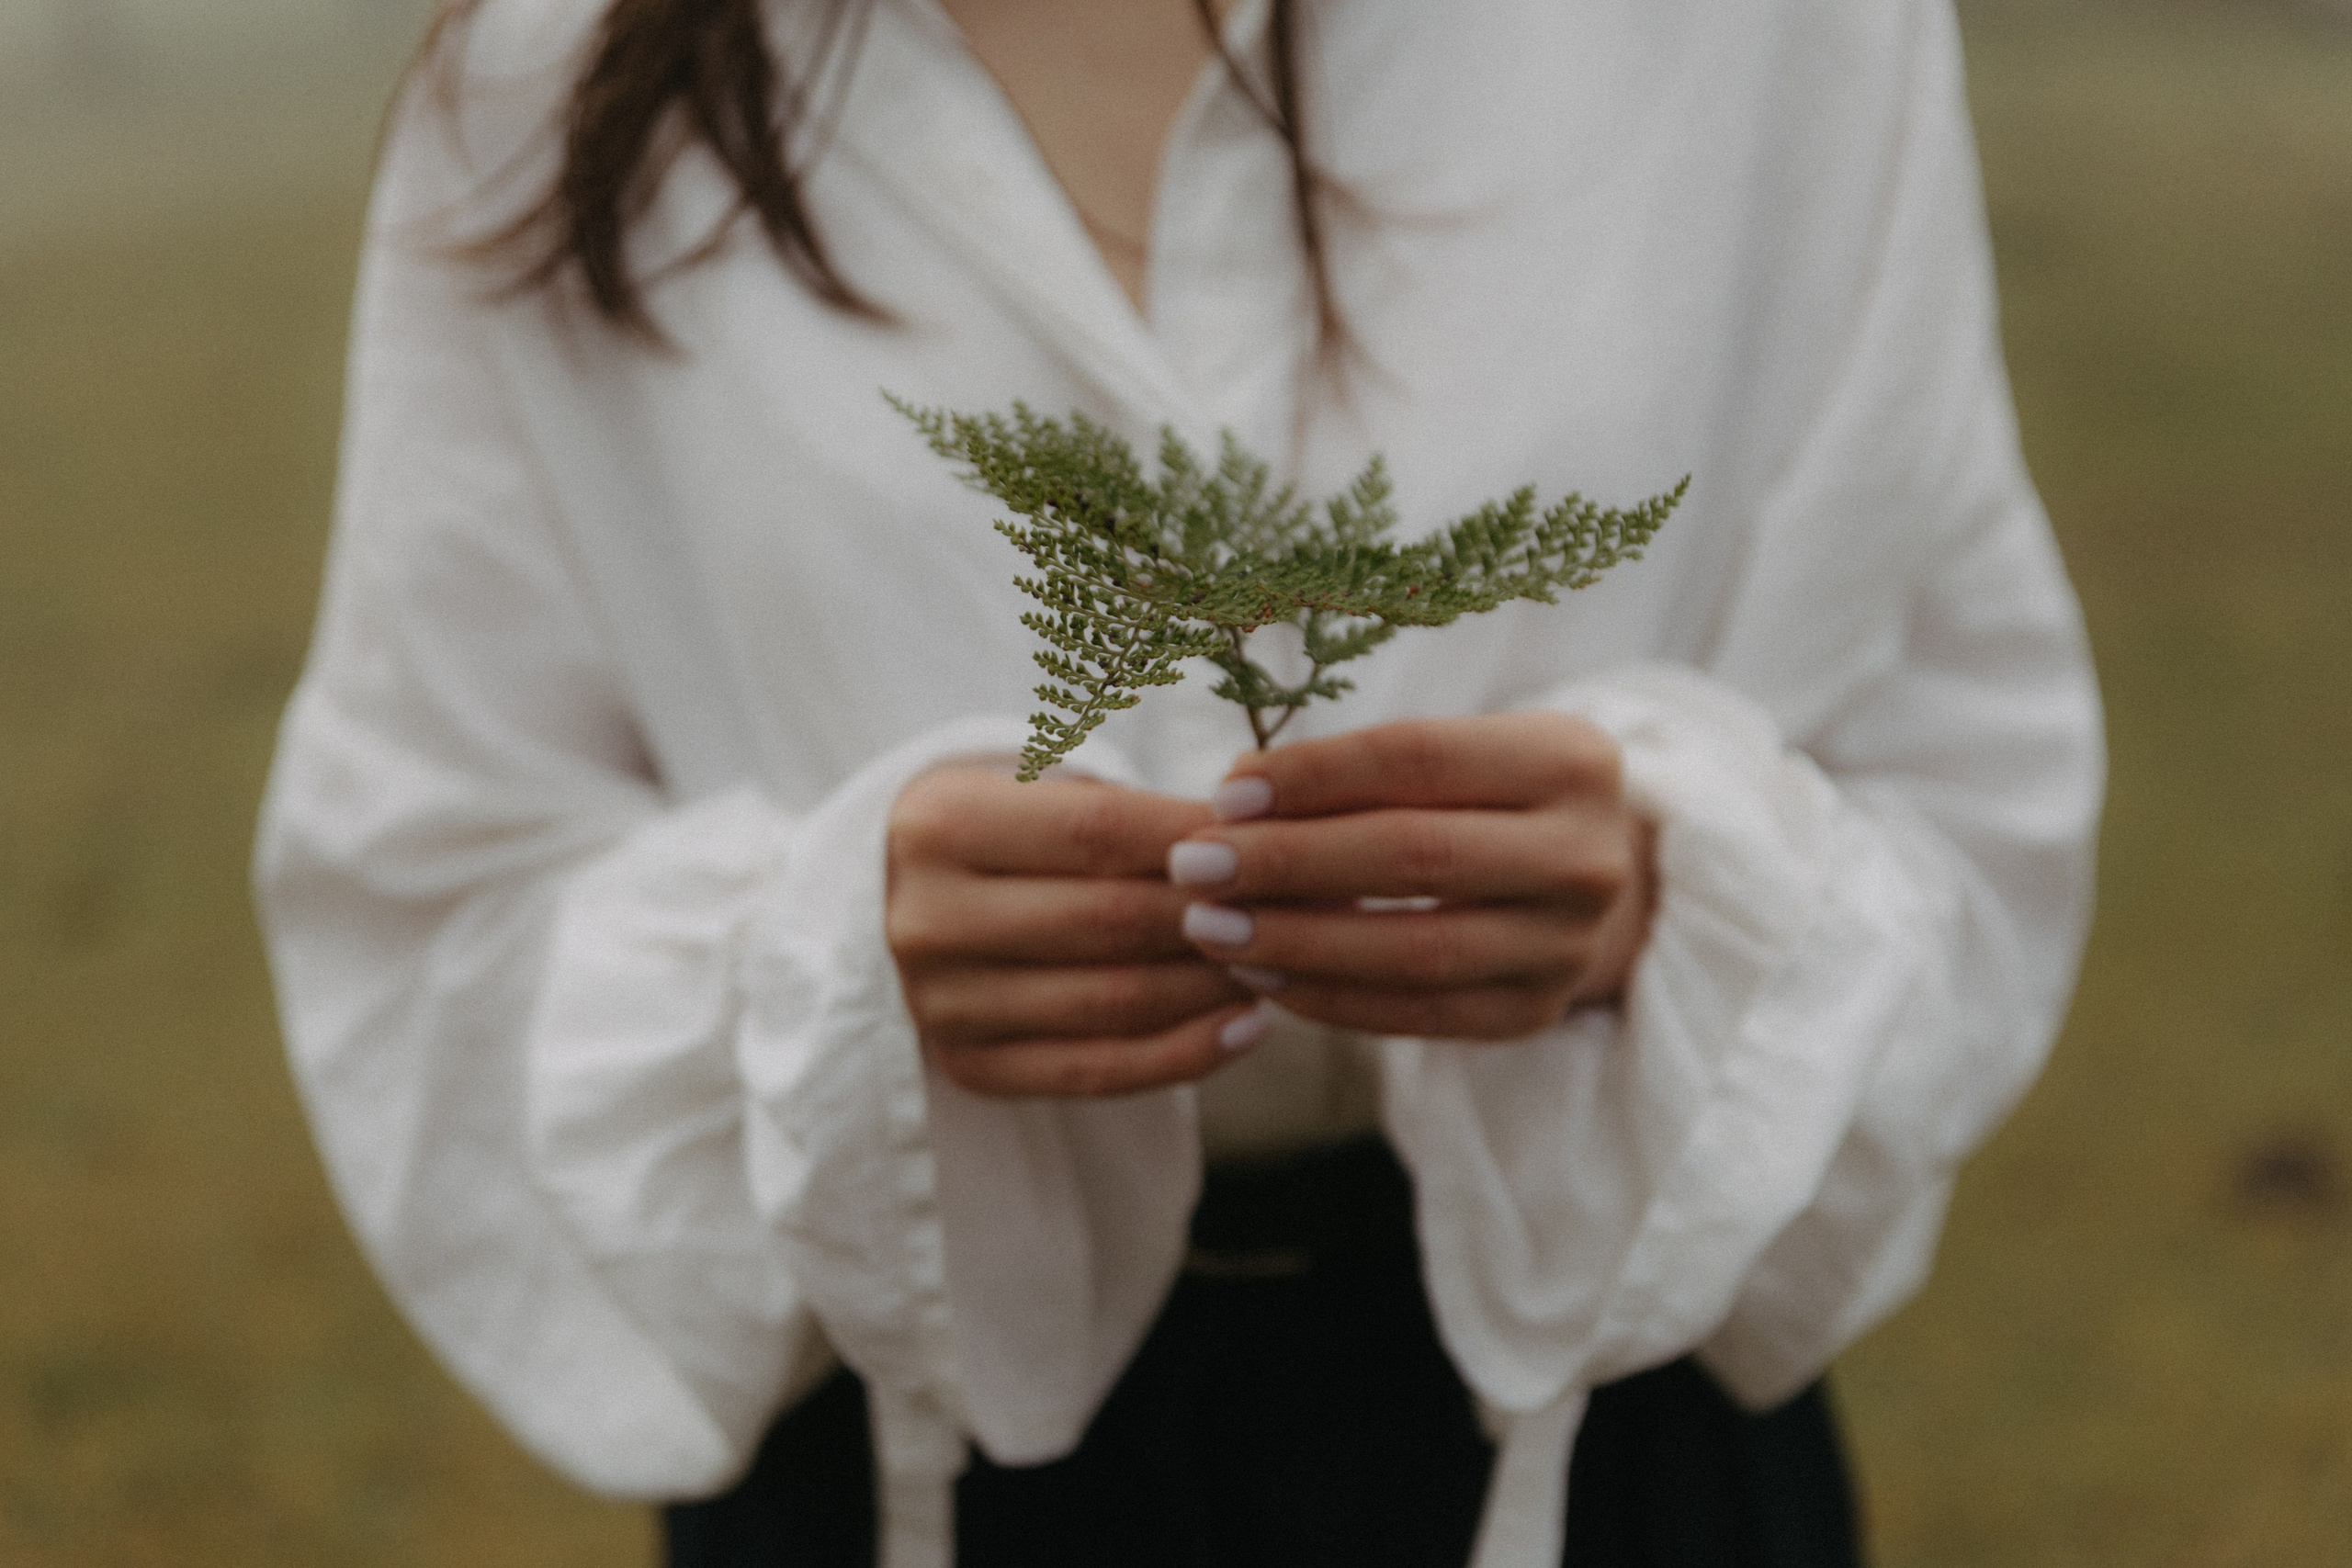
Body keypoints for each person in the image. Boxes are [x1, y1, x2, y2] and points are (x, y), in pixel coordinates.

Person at [254, 0, 2104, 1563]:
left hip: (1589, 1410)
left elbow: (1964, 775)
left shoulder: (1763, 41)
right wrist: (810, 957)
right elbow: (428, 882)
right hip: (911, 1424)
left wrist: (1657, 892)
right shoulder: (550, 74)